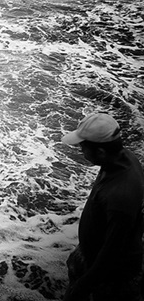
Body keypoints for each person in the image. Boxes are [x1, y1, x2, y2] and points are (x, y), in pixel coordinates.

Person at [62, 112, 144, 301]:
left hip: (112, 276)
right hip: (94, 256)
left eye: (83, 148)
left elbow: (112, 252)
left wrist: (85, 284)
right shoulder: (123, 159)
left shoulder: (120, 196)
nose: (82, 152)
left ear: (100, 152)